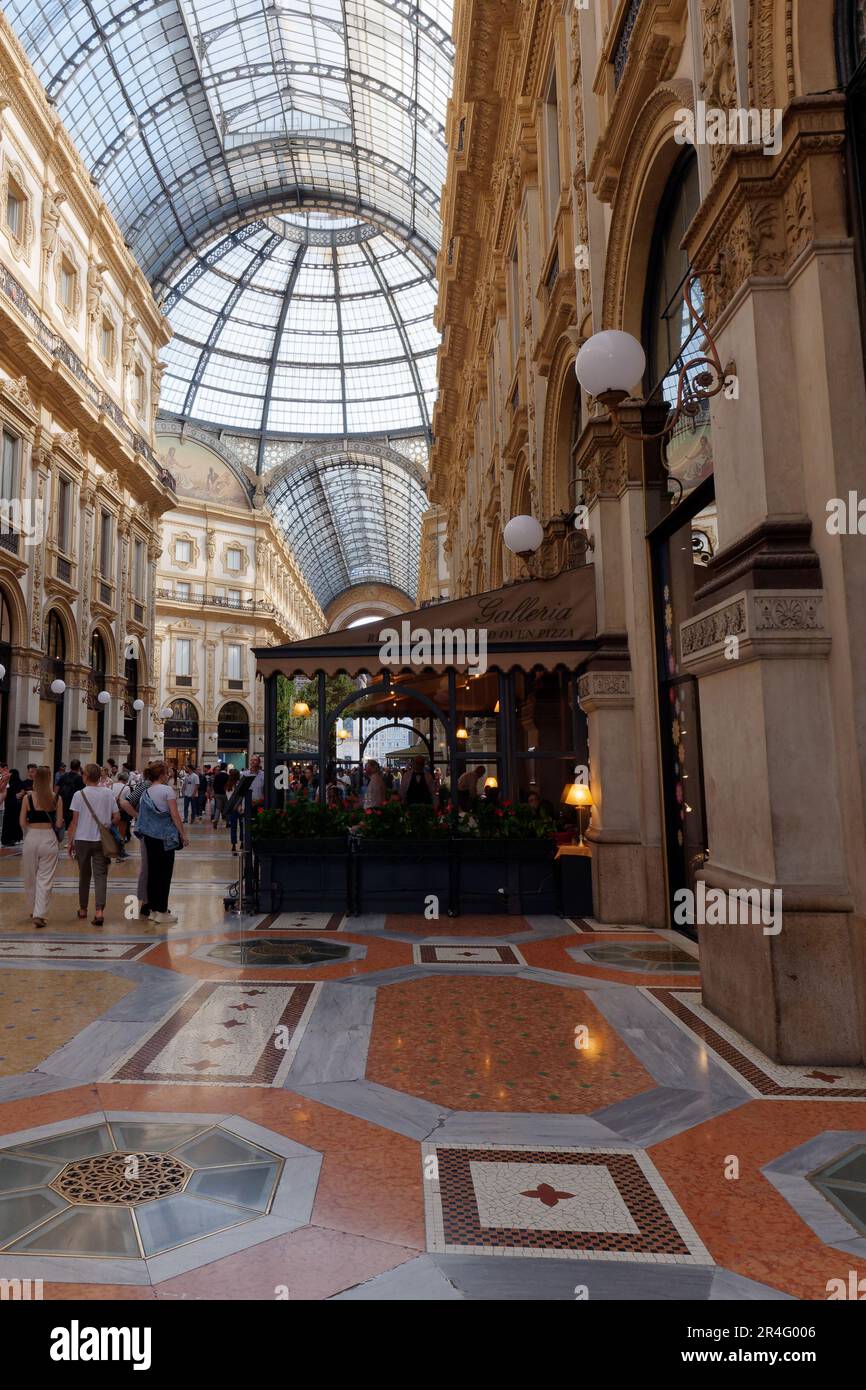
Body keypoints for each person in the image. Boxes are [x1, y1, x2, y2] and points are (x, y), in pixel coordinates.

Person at [135, 761, 187, 925]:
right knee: (165, 874)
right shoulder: (167, 790)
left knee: (153, 873)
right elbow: (174, 815)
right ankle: (162, 910)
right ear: (162, 774)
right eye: (167, 773)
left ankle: (153, 910)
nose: (169, 775)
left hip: (150, 837)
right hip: (165, 837)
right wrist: (183, 834)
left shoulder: (147, 792)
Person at [68, 763, 120, 926]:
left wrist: (70, 841)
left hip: (82, 839)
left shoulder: (79, 794)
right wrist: (106, 825)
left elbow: (75, 822)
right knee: (100, 875)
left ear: (85, 776)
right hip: (100, 841)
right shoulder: (107, 793)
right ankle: (99, 911)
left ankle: (83, 909)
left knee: (84, 875)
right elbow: (117, 817)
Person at [20, 766, 64, 927]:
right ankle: (40, 913)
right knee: (45, 878)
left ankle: (33, 909)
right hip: (48, 839)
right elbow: (59, 823)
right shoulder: (56, 798)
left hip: (32, 837)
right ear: (49, 779)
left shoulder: (28, 798)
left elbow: (22, 822)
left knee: (31, 876)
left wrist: (29, 832)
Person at [118, 765, 154, 919]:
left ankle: (152, 900)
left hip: (155, 831)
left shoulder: (157, 787)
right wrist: (138, 816)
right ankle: (146, 901)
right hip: (148, 830)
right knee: (147, 866)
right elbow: (125, 802)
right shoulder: (145, 785)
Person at [57, 759, 85, 829]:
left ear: (70, 767)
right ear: (79, 767)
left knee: (63, 820)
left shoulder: (63, 776)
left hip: (63, 802)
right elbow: (83, 792)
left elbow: (56, 788)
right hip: (74, 804)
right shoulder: (80, 778)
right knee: (72, 822)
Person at [1, 769, 24, 845]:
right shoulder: (20, 783)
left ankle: (7, 839)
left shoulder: (9, 784)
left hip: (9, 807)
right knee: (16, 823)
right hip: (17, 807)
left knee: (7, 823)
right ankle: (15, 838)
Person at [225, 767, 242, 852]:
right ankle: (242, 842)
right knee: (242, 826)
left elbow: (228, 798)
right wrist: (239, 805)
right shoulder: (240, 784)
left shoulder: (228, 785)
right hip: (240, 808)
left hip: (232, 808)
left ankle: (234, 844)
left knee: (233, 827)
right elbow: (242, 796)